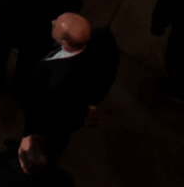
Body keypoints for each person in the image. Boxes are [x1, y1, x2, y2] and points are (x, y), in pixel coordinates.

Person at [19, 11, 118, 146]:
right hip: (68, 112)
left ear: (66, 44)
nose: (53, 22)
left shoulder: (55, 82)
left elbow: (37, 106)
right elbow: (108, 72)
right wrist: (93, 105)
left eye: (55, 26)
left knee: (44, 141)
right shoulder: (102, 36)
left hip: (49, 120)